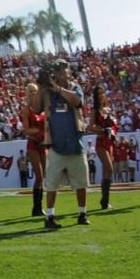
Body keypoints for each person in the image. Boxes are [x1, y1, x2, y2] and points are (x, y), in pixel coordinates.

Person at [41, 60, 90, 229]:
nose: (60, 72)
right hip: (56, 144)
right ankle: (49, 216)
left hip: (75, 143)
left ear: (69, 71)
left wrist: (59, 89)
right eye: (57, 70)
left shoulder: (75, 88)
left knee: (81, 182)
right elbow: (34, 107)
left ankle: (82, 213)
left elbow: (77, 102)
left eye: (63, 69)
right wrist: (41, 85)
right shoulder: (48, 92)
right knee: (52, 184)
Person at [20, 82, 46, 217]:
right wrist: (38, 132)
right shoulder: (26, 110)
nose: (33, 94)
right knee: (39, 175)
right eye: (30, 91)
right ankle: (37, 207)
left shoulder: (43, 109)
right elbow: (26, 129)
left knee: (43, 176)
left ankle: (38, 207)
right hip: (33, 144)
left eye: (35, 91)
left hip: (43, 143)